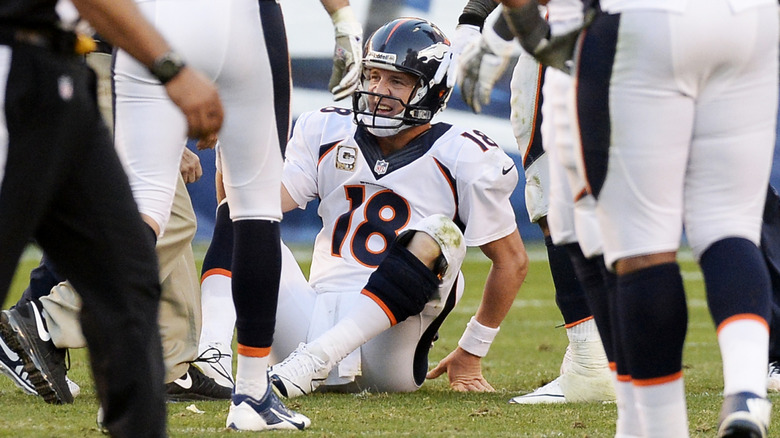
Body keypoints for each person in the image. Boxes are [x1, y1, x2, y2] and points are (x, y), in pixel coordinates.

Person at [503, 0, 779, 437]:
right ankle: (746, 388)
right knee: (730, 226)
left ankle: (657, 427)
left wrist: (496, 29)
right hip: (750, 20)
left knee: (637, 246)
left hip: (633, 22)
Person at [215, 16, 524, 397]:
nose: (379, 90)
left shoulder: (464, 154)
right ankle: (211, 355)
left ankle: (316, 359)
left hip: (386, 348)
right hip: (310, 324)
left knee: (442, 233)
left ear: (433, 91)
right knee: (242, 218)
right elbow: (249, 205)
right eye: (374, 76)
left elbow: (512, 260)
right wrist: (230, 141)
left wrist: (472, 351)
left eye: (397, 81)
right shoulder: (326, 129)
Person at [111, 0, 363, 431]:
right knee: (256, 207)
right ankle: (250, 393)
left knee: (143, 206)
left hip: (152, 18)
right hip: (247, 19)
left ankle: (119, 385)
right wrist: (343, 20)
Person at [0, 0, 222, 435]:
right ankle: (42, 320)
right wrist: (172, 70)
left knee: (127, 276)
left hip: (65, 67)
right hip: (14, 61)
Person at [450, 0, 614, 404]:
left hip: (569, 32)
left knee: (558, 197)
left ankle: (592, 364)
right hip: (659, 31)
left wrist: (483, 28)